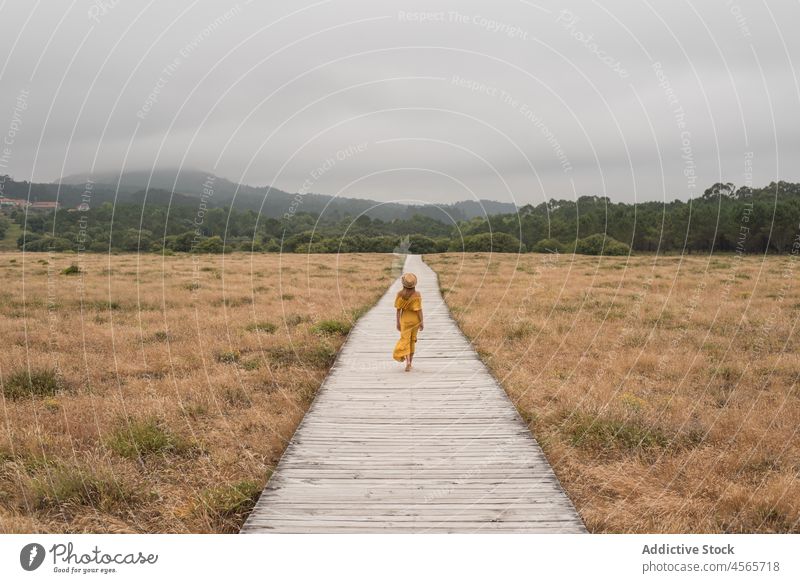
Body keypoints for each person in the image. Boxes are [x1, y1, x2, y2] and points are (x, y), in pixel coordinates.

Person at [393, 272, 424, 371]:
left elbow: (398, 310)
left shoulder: (400, 294)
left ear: (403, 284)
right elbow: (419, 310)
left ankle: (408, 362)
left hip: (405, 320)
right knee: (412, 341)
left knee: (405, 340)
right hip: (415, 320)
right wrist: (421, 322)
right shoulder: (417, 294)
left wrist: (398, 322)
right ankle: (411, 362)